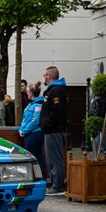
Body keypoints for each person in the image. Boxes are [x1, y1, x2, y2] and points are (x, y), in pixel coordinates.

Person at [40, 66, 67, 195]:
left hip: (54, 130)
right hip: (50, 130)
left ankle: (58, 186)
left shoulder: (56, 90)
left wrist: (46, 123)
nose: (44, 77)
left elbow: (56, 111)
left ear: (49, 76)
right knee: (51, 159)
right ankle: (56, 184)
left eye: (45, 75)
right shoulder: (51, 90)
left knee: (55, 159)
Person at [19, 81, 46, 178]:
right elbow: (25, 119)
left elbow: (35, 121)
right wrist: (21, 129)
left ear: (32, 93)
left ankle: (38, 177)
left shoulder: (38, 105)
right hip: (29, 134)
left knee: (33, 157)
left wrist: (24, 130)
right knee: (36, 157)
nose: (27, 94)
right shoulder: (31, 104)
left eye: (28, 92)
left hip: (34, 134)